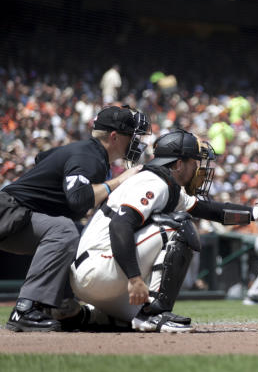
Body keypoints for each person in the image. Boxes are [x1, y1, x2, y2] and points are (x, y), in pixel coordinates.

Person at [69, 129, 258, 332]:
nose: (197, 169)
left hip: (93, 278)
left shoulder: (164, 182)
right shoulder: (154, 182)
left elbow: (211, 210)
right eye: (194, 162)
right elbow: (120, 225)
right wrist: (134, 278)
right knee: (180, 226)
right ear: (178, 164)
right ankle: (155, 314)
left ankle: (89, 315)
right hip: (99, 269)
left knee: (132, 319)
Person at [0, 105, 150, 332]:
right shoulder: (89, 155)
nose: (136, 142)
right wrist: (120, 181)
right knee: (64, 231)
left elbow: (43, 157)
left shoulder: (89, 154)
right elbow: (79, 198)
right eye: (132, 136)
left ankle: (60, 307)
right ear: (114, 136)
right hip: (9, 212)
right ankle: (25, 308)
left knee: (80, 236)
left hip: (19, 214)